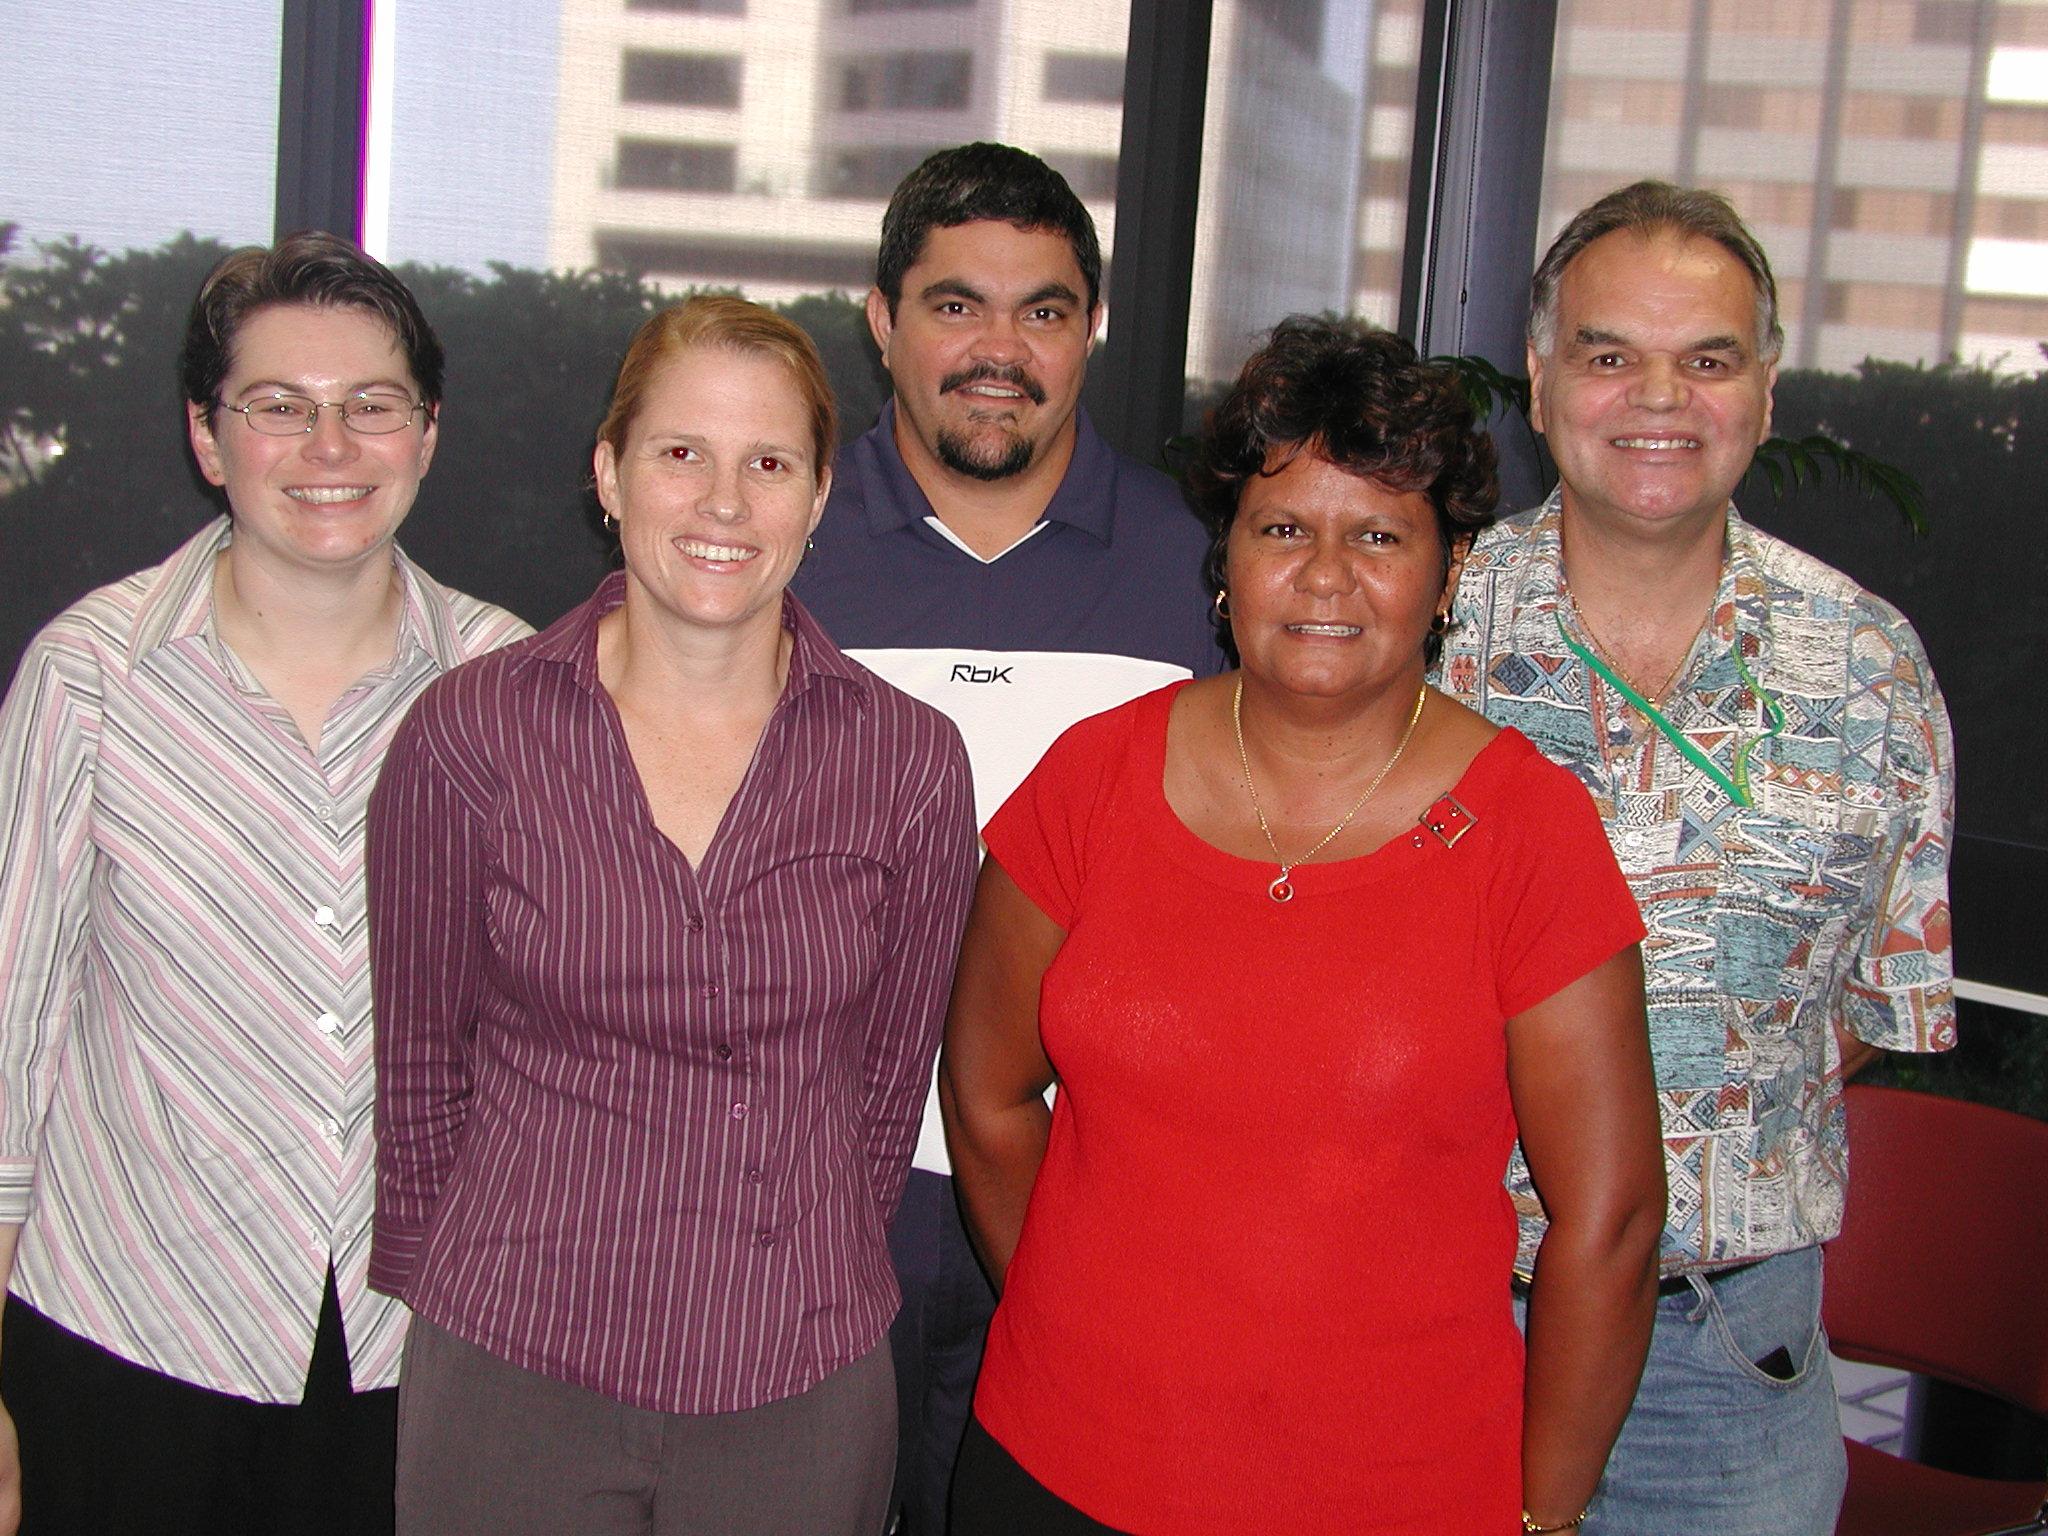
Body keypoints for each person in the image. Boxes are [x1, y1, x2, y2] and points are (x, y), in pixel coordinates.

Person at [941, 317, 1667, 1535]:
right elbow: (985, 1093)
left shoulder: (1526, 831)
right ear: (1225, 557)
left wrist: (1541, 1514)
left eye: (1377, 535)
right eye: (1281, 528)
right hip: (1054, 1469)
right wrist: (1083, 1326)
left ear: (1445, 575)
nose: (1325, 576)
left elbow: (1610, 1223)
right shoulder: (1093, 775)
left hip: (1393, 1497)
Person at [367, 294, 978, 1536]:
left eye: (769, 464)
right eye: (681, 452)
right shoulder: (471, 735)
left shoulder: (908, 762)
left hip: (798, 1383)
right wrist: (458, 1293)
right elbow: (421, 1067)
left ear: (818, 496)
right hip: (514, 1367)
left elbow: (886, 1086)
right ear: (609, 473)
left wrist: (797, 1266)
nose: (723, 504)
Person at [1438, 181, 1957, 1536]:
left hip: (1726, 1368)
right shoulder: (1417, 630)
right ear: (1541, 380)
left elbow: (1869, 1005)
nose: (1659, 398)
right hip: (1433, 1320)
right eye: (1610, 354)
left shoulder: (1867, 668)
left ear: (1765, 392)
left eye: (1708, 360)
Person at [0, 232, 530, 1536]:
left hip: (425, 1352)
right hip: (129, 1335)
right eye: (278, 406)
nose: (328, 446)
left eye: (373, 406)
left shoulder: (510, 688)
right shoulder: (87, 677)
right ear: (206, 435)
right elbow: (8, 1041)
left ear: (427, 433)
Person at [790, 140, 1221, 1534]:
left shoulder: (1204, 571)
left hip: (1092, 1198)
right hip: (806, 1198)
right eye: (954, 305)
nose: (999, 350)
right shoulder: (775, 546)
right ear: (881, 321)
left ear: (1091, 329)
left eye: (1042, 310)